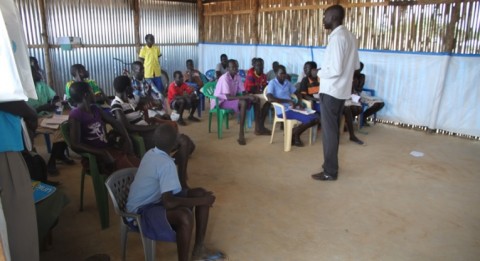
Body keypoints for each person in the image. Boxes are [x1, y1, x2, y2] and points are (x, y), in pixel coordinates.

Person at [126, 124, 226, 261]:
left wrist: (202, 199)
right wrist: (203, 202)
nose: (181, 137)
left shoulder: (152, 152)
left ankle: (199, 249)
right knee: (185, 216)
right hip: (139, 213)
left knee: (201, 193)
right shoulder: (166, 164)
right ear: (174, 144)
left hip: (154, 200)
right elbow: (169, 202)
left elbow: (173, 187)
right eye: (178, 136)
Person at [111, 76, 195, 188]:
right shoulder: (116, 104)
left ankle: (170, 168)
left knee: (188, 143)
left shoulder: (129, 99)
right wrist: (152, 128)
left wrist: (147, 106)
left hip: (149, 131)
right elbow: (127, 127)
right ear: (127, 88)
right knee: (184, 141)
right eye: (131, 86)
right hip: (142, 136)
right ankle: (181, 181)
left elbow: (144, 103)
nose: (132, 88)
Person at [312, 4, 360, 181]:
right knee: (332, 131)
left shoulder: (338, 37)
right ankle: (330, 166)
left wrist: (319, 72)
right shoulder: (350, 36)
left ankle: (329, 171)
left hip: (331, 92)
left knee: (329, 133)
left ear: (333, 17)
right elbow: (355, 66)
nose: (323, 20)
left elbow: (336, 69)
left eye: (325, 16)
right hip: (341, 92)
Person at [68, 82, 140, 175]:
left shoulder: (95, 109)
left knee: (137, 164)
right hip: (95, 157)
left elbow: (115, 122)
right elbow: (75, 144)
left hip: (107, 150)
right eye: (92, 91)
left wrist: (127, 139)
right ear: (86, 95)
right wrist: (102, 152)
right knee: (131, 171)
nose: (95, 94)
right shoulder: (76, 115)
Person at [27, 63, 74, 175]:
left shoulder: (41, 85)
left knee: (71, 122)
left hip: (47, 116)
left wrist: (56, 101)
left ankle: (60, 154)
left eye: (35, 71)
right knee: (61, 128)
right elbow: (27, 112)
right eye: (33, 71)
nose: (37, 73)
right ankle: (52, 161)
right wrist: (44, 107)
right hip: (32, 120)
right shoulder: (23, 89)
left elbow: (53, 96)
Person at [213, 59, 270, 145]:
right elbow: (228, 97)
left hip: (231, 99)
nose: (235, 69)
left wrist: (250, 95)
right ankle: (241, 134)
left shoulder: (237, 76)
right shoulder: (224, 78)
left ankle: (258, 128)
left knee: (256, 99)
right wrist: (247, 96)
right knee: (243, 102)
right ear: (228, 68)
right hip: (221, 101)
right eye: (233, 67)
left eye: (237, 67)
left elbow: (243, 91)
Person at [266, 65, 320, 146]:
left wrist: (299, 102)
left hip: (293, 108)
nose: (283, 75)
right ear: (276, 73)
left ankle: (294, 132)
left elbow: (297, 92)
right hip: (283, 110)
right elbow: (270, 98)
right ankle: (296, 135)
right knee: (310, 120)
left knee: (316, 118)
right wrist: (287, 101)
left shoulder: (287, 82)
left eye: (284, 73)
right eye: (281, 73)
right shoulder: (272, 83)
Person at [243, 57, 271, 133]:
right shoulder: (250, 74)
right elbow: (252, 89)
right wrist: (262, 91)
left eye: (262, 65)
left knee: (269, 102)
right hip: (249, 94)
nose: (260, 67)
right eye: (258, 65)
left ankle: (260, 126)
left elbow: (265, 87)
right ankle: (258, 128)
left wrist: (264, 91)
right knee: (257, 101)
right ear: (254, 67)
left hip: (259, 93)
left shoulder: (264, 76)